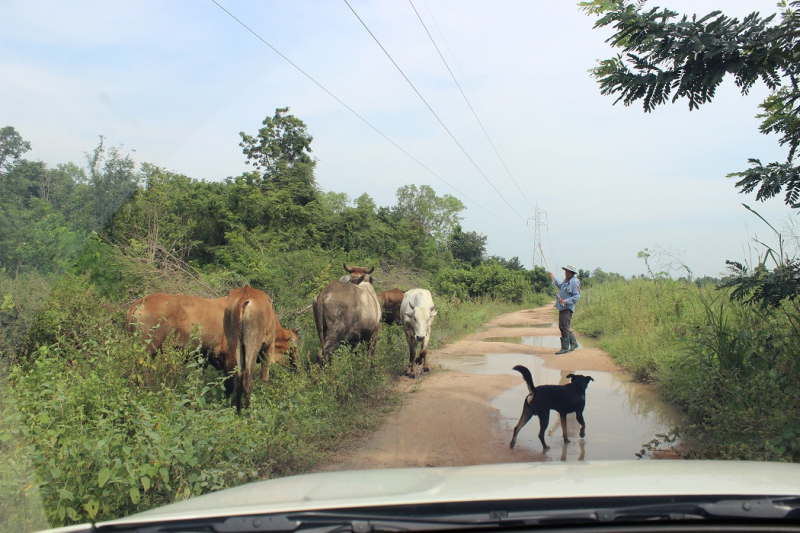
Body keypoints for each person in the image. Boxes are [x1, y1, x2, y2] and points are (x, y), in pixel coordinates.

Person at [548, 264, 581, 354]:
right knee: (562, 326)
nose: (565, 273)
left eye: (567, 271)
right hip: (562, 307)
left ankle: (565, 348)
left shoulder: (574, 282)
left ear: (571, 273)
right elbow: (560, 285)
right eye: (565, 271)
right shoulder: (567, 281)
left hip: (567, 307)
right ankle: (573, 344)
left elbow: (576, 296)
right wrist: (553, 278)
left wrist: (565, 301)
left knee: (564, 326)